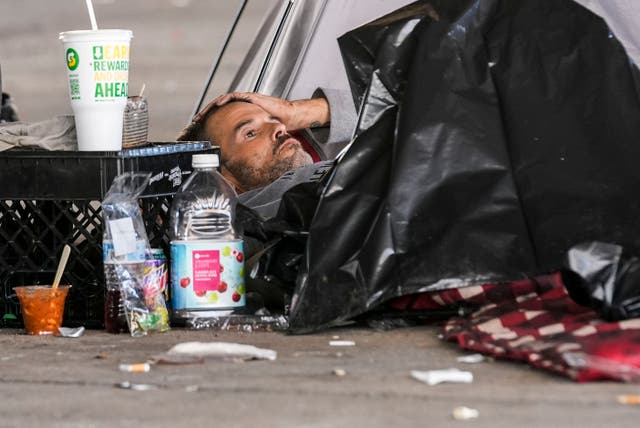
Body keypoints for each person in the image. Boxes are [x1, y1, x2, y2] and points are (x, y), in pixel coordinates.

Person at [178, 89, 356, 218]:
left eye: (274, 119)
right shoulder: (246, 228)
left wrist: (295, 111)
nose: (280, 127)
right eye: (250, 133)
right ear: (223, 180)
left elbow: (382, 106)